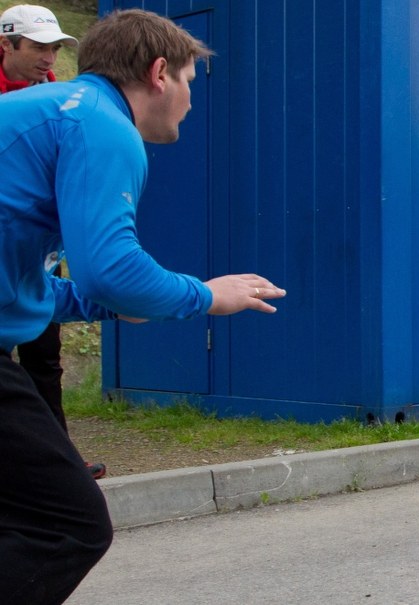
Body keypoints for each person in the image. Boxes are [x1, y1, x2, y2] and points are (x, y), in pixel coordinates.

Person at [0, 9, 286, 604]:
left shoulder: (56, 112)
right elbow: (113, 269)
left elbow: (25, 290)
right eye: (189, 82)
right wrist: (206, 295)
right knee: (69, 522)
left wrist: (105, 306)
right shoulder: (102, 125)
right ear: (159, 73)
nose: (189, 102)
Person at [1, 3, 108, 480]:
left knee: (45, 356)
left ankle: (59, 459)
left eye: (55, 48)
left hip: (42, 253)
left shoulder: (57, 94)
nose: (49, 58)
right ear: (6, 44)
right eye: (39, 47)